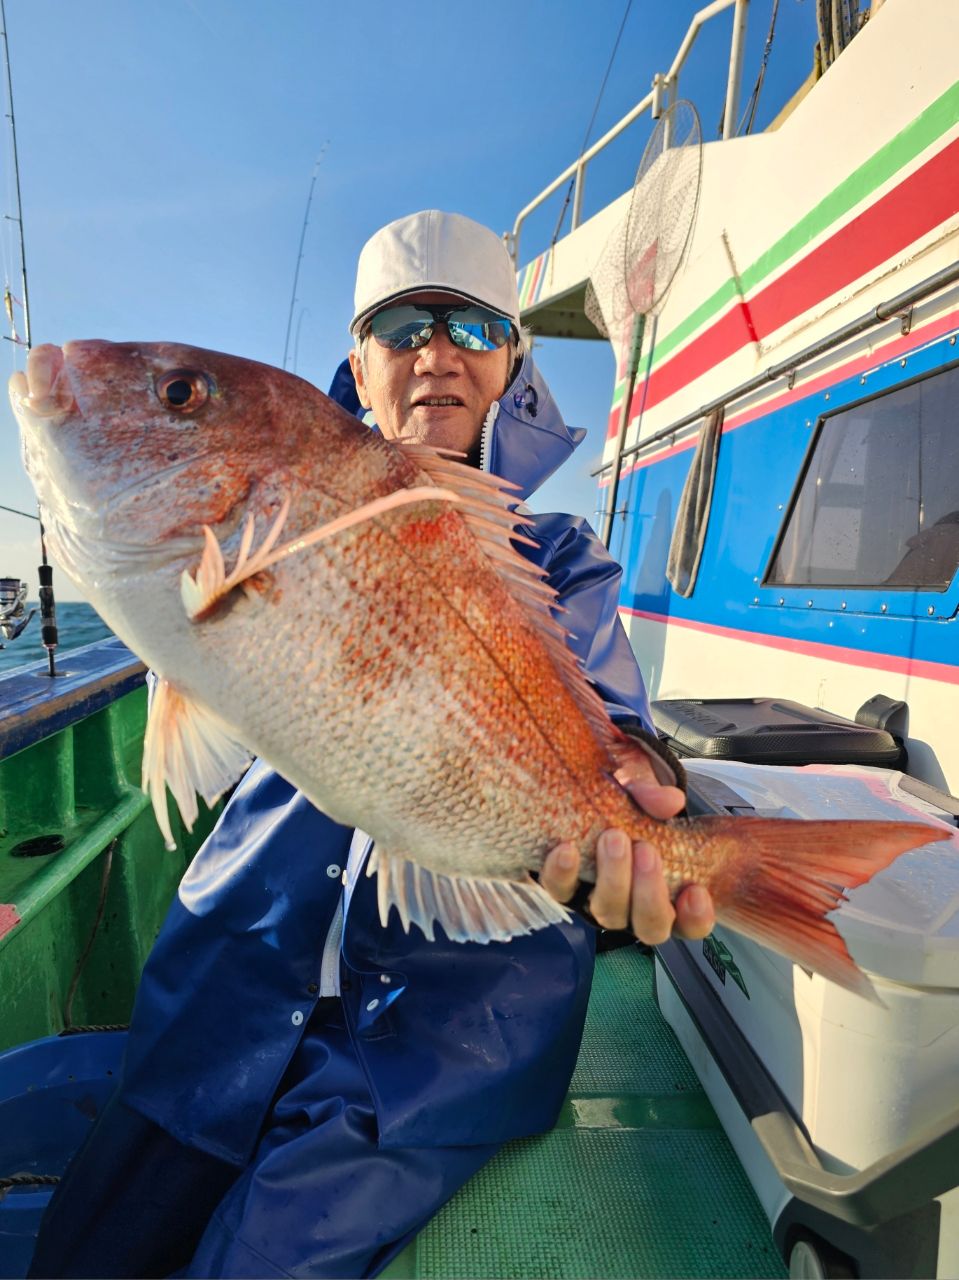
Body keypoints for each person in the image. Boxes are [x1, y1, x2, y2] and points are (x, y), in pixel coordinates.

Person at [30, 210, 715, 1279]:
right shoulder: (279, 491)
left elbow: (613, 725)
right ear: (358, 358)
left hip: (447, 1034)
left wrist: (645, 785)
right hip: (230, 972)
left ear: (509, 366)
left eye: (473, 330)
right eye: (401, 327)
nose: (436, 353)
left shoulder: (562, 559)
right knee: (85, 1254)